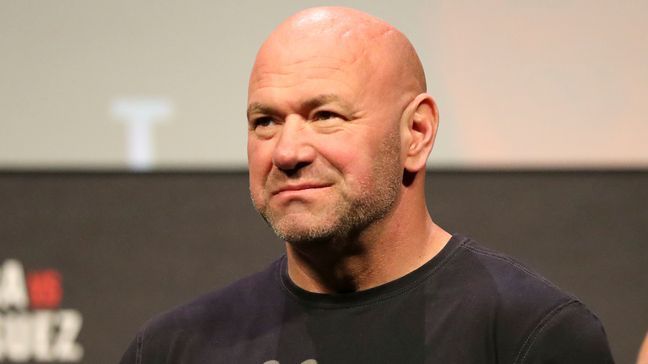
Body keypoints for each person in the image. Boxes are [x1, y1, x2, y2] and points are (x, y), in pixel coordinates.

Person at [120, 7, 614, 363]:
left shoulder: (532, 337)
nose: (287, 151)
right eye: (265, 122)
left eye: (326, 115)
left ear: (416, 133)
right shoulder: (173, 350)